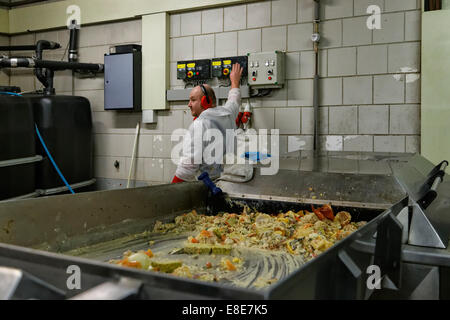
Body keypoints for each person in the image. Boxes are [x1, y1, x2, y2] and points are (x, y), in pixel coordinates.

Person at [172, 63, 244, 183]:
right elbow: (234, 99)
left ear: (205, 101)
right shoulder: (228, 114)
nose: (189, 104)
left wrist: (169, 194)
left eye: (193, 100)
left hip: (209, 187)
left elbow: (187, 168)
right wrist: (235, 81)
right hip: (229, 181)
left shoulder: (199, 125)